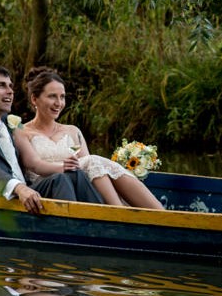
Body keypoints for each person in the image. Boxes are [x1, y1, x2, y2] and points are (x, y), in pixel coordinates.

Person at [0, 65, 103, 212]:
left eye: (10, 86)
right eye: (1, 86)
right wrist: (19, 188)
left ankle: (104, 216)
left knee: (73, 174)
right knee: (60, 180)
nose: (10, 91)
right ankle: (75, 225)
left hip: (30, 191)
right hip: (0, 201)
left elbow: (31, 156)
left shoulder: (9, 122)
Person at [13, 67, 164, 210]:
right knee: (91, 161)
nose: (59, 103)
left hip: (78, 188)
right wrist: (63, 167)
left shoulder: (72, 131)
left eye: (62, 97)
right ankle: (120, 211)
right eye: (52, 96)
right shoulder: (22, 131)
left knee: (92, 163)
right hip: (47, 187)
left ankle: (158, 213)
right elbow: (35, 165)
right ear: (34, 99)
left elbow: (89, 173)